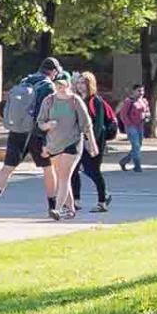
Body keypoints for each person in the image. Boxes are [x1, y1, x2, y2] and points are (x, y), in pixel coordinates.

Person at [0, 57, 61, 219]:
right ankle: (52, 206)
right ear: (53, 71)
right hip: (37, 133)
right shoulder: (48, 86)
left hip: (17, 131)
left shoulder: (25, 81)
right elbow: (49, 112)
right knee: (48, 169)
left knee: (7, 168)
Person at [37, 72, 98, 221]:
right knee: (62, 177)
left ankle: (57, 209)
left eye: (63, 84)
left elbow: (86, 123)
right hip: (54, 144)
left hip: (72, 143)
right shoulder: (48, 101)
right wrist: (48, 125)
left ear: (69, 84)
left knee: (64, 177)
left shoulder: (75, 100)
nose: (60, 87)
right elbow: (40, 123)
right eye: (57, 84)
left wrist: (92, 143)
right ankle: (70, 209)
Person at [68, 72, 115, 212]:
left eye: (83, 83)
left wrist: (91, 141)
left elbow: (99, 124)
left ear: (90, 85)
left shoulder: (96, 101)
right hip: (78, 139)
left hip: (94, 139)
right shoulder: (76, 99)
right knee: (74, 170)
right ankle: (75, 200)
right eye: (79, 83)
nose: (80, 86)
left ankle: (103, 200)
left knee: (93, 170)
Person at [117, 84, 150, 172]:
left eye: (142, 91)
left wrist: (146, 116)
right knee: (136, 145)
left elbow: (147, 111)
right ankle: (137, 166)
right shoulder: (129, 101)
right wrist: (129, 124)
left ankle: (124, 161)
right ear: (134, 91)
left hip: (140, 126)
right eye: (139, 91)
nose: (141, 93)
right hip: (131, 126)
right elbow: (123, 115)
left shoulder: (144, 101)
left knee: (138, 147)